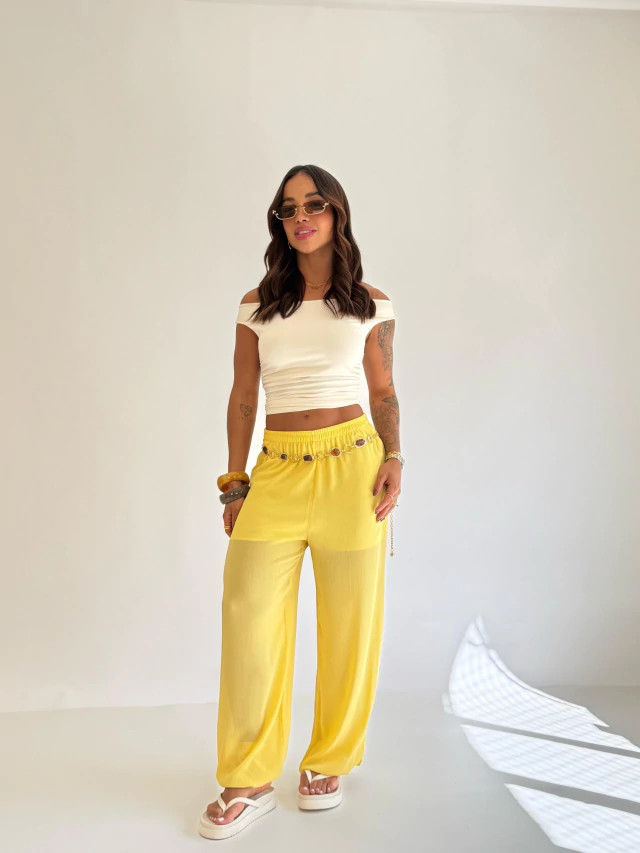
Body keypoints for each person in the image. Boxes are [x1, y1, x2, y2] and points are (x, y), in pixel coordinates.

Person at [199, 164, 403, 840]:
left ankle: (329, 759)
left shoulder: (370, 302)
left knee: (351, 620)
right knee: (249, 616)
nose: (301, 217)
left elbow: (383, 391)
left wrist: (394, 457)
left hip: (354, 467)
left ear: (337, 213)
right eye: (288, 209)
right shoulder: (257, 304)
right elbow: (243, 395)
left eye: (314, 204)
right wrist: (234, 481)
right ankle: (247, 778)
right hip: (277, 472)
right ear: (278, 222)